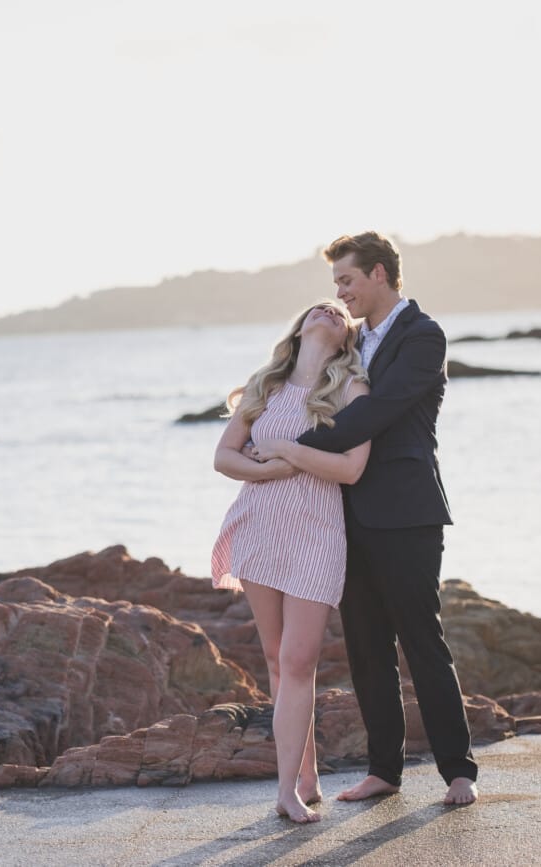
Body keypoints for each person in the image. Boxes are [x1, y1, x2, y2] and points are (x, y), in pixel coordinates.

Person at [295, 231, 479, 806]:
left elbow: (377, 411)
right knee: (366, 647)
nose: (340, 292)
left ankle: (458, 773)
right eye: (336, 284)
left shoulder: (424, 336)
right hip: (345, 511)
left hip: (406, 511)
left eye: (347, 280)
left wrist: (292, 446)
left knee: (422, 640)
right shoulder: (347, 343)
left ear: (379, 274)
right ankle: (384, 772)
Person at [211, 299, 372, 823]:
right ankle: (303, 777)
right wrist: (272, 472)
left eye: (338, 310)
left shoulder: (351, 388)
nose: (328, 308)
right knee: (279, 661)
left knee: (301, 661)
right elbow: (224, 456)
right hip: (260, 528)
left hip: (318, 535)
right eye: (317, 307)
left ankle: (284, 792)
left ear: (347, 338)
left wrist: (283, 449)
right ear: (301, 327)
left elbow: (349, 469)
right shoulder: (266, 385)